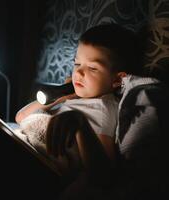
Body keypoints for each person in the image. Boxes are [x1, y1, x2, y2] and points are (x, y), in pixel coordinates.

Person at [15, 24, 143, 178]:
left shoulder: (103, 107)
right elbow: (21, 117)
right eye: (77, 64)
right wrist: (60, 94)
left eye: (93, 68)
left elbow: (103, 173)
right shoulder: (73, 98)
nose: (79, 72)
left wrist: (80, 125)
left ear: (117, 79)